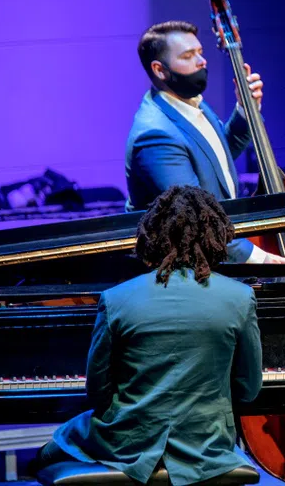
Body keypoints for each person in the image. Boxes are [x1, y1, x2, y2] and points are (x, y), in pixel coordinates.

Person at [32, 185, 264, 485]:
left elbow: (98, 393)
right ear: (216, 234)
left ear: (151, 235)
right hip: (207, 445)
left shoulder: (116, 298)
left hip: (128, 443)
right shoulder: (240, 297)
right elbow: (249, 389)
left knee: (47, 453)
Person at [125, 20, 285, 263]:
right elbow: (193, 215)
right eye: (189, 56)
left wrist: (244, 111)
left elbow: (216, 160)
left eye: (200, 52)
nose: (202, 61)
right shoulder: (155, 136)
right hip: (190, 268)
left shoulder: (190, 103)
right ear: (159, 69)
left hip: (220, 244)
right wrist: (257, 257)